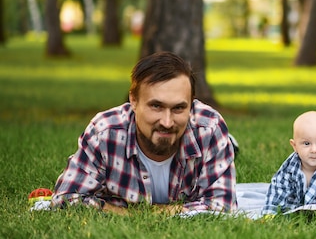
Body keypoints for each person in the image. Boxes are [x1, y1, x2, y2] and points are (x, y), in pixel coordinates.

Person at [49, 51, 237, 215]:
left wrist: (154, 212)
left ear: (192, 104)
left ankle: (229, 145)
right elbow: (65, 199)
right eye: (156, 106)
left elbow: (223, 206)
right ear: (134, 100)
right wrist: (128, 215)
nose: (167, 122)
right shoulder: (104, 132)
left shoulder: (209, 127)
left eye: (179, 108)